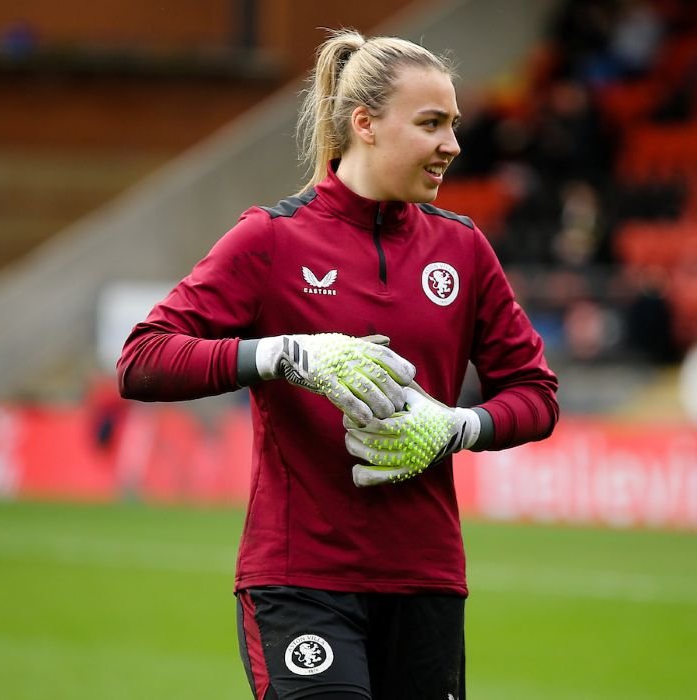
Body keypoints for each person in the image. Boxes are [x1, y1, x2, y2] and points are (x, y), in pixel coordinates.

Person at [118, 28, 559, 700]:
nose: (452, 145)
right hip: (301, 578)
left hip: (425, 577)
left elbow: (534, 393)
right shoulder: (270, 238)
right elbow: (143, 358)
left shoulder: (464, 251)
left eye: (454, 124)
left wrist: (456, 427)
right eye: (431, 124)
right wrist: (284, 355)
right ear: (365, 125)